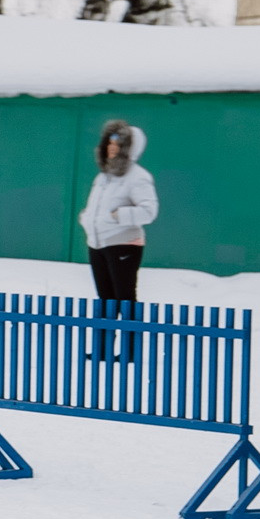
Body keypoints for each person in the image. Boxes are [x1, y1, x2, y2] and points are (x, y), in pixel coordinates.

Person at [78, 121, 158, 359]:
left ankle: (130, 351)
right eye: (109, 143)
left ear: (129, 148)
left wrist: (118, 216)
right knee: (105, 300)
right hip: (98, 243)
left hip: (124, 243)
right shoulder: (104, 177)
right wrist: (86, 219)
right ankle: (103, 349)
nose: (112, 148)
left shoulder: (138, 177)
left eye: (118, 144)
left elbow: (149, 211)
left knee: (125, 299)